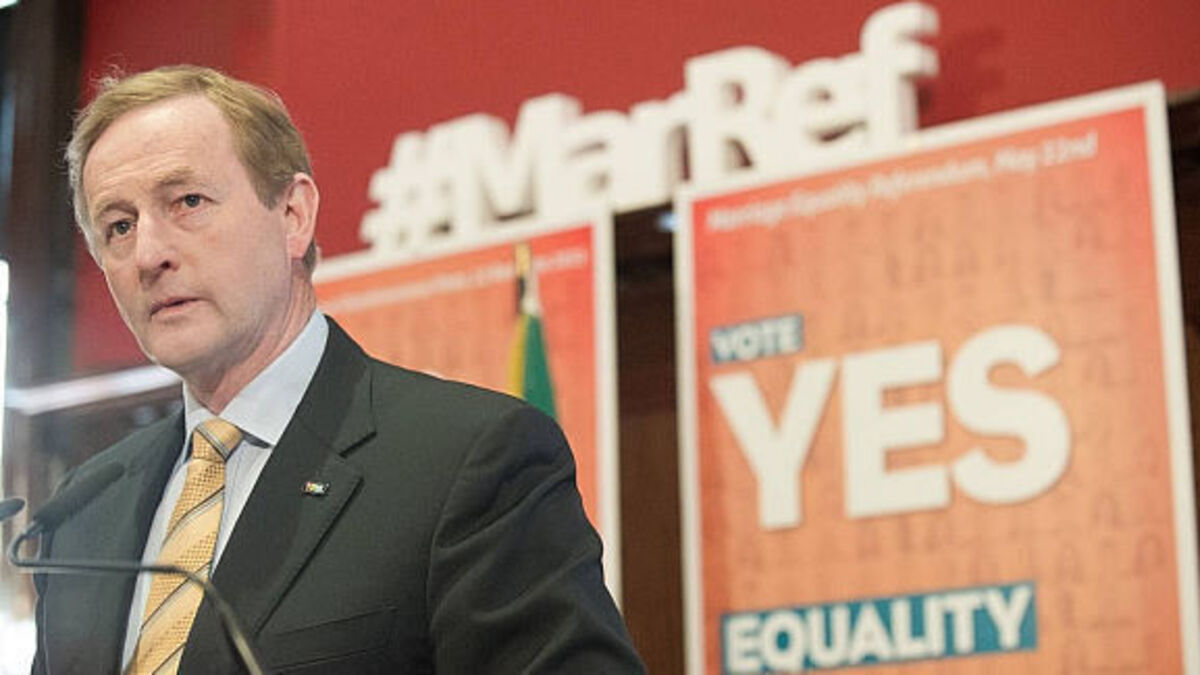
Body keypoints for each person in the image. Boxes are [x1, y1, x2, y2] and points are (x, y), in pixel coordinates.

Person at [31, 65, 645, 674]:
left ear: (293, 215)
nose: (148, 254)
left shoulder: (467, 459)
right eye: (119, 226)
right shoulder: (85, 508)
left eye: (188, 202)